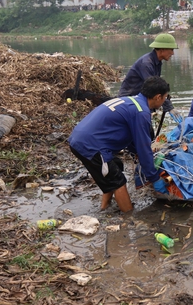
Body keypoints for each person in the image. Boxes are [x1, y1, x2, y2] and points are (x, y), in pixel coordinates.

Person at [68, 76, 171, 213]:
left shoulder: (131, 101)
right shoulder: (141, 112)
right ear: (158, 97)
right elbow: (143, 147)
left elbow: (132, 139)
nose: (164, 101)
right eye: (165, 97)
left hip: (80, 137)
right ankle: (128, 217)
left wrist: (136, 154)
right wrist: (154, 177)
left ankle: (104, 208)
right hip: (90, 145)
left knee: (115, 166)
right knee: (118, 181)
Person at [118, 33, 182, 122]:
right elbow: (154, 88)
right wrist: (169, 106)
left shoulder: (157, 62)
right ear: (162, 49)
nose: (173, 53)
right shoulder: (146, 64)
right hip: (130, 101)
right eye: (171, 49)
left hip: (141, 100)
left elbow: (157, 86)